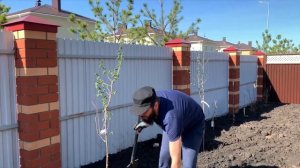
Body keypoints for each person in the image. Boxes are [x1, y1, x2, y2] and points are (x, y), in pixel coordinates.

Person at [131, 86, 205, 168]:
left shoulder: (170, 118)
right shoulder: (151, 98)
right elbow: (152, 115)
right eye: (139, 113)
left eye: (144, 113)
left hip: (192, 126)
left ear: (155, 105)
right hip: (176, 121)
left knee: (188, 165)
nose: (141, 116)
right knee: (164, 159)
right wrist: (145, 122)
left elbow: (176, 162)